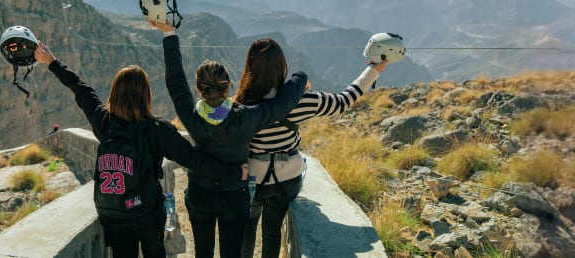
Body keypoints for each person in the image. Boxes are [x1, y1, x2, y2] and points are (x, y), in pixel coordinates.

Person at [35, 40, 243, 258]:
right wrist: (235, 172)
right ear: (146, 95)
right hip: (146, 213)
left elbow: (80, 88)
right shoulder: (157, 129)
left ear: (115, 93)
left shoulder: (104, 122)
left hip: (113, 214)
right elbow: (195, 160)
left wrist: (51, 61)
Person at [155, 20, 308, 258]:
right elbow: (281, 104)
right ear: (228, 87)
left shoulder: (192, 117)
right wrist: (299, 78)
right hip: (234, 197)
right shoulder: (247, 118)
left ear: (198, 89)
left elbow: (175, 80)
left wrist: (169, 33)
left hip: (200, 194)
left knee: (203, 253)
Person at [240, 59, 386, 258]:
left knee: (248, 229)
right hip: (287, 181)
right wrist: (372, 70)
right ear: (281, 67)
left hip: (254, 181)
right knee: (272, 232)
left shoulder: (241, 103)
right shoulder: (300, 101)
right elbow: (344, 100)